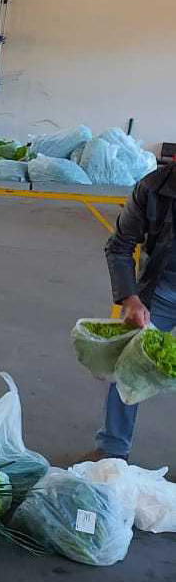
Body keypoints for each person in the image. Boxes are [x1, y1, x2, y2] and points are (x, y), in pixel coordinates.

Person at [88, 162, 176, 462]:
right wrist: (130, 298)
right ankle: (113, 450)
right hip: (161, 288)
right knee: (128, 364)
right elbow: (120, 245)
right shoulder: (151, 188)